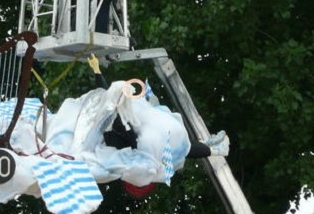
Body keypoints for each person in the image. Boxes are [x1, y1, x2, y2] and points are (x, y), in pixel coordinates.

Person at [86, 55, 229, 196]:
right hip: (147, 134)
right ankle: (214, 148)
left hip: (155, 135)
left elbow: (186, 150)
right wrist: (97, 71)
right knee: (123, 116)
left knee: (175, 145)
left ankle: (214, 148)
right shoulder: (125, 153)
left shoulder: (148, 162)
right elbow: (109, 102)